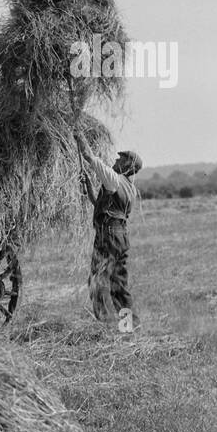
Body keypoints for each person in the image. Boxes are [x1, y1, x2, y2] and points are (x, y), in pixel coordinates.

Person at [75, 135, 142, 327]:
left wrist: (78, 135)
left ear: (128, 166)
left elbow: (89, 156)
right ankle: (128, 327)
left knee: (97, 280)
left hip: (108, 235)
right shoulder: (131, 189)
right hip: (121, 236)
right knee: (119, 285)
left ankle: (105, 324)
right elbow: (102, 206)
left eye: (121, 159)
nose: (116, 160)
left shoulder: (113, 179)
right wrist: (88, 185)